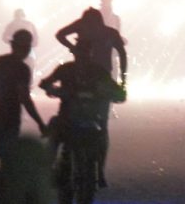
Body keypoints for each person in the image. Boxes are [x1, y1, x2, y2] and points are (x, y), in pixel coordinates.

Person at [40, 37, 127, 204]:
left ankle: (99, 172)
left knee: (100, 141)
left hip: (89, 120)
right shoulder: (68, 69)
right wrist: (54, 90)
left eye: (84, 52)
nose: (82, 56)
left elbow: (119, 94)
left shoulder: (96, 71)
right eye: (80, 52)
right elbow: (45, 83)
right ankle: (47, 169)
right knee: (55, 131)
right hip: (70, 118)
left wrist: (113, 94)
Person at [55, 7, 128, 187]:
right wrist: (123, 78)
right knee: (102, 127)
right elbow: (123, 54)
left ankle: (68, 165)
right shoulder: (109, 32)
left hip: (87, 78)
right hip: (102, 80)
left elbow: (60, 34)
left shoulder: (82, 27)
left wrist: (72, 48)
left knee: (69, 120)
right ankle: (99, 171)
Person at [0, 29, 46, 159]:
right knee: (9, 160)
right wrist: (40, 122)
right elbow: (25, 98)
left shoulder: (0, 61)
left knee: (5, 158)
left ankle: (3, 179)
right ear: (27, 48)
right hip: (9, 117)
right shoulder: (22, 69)